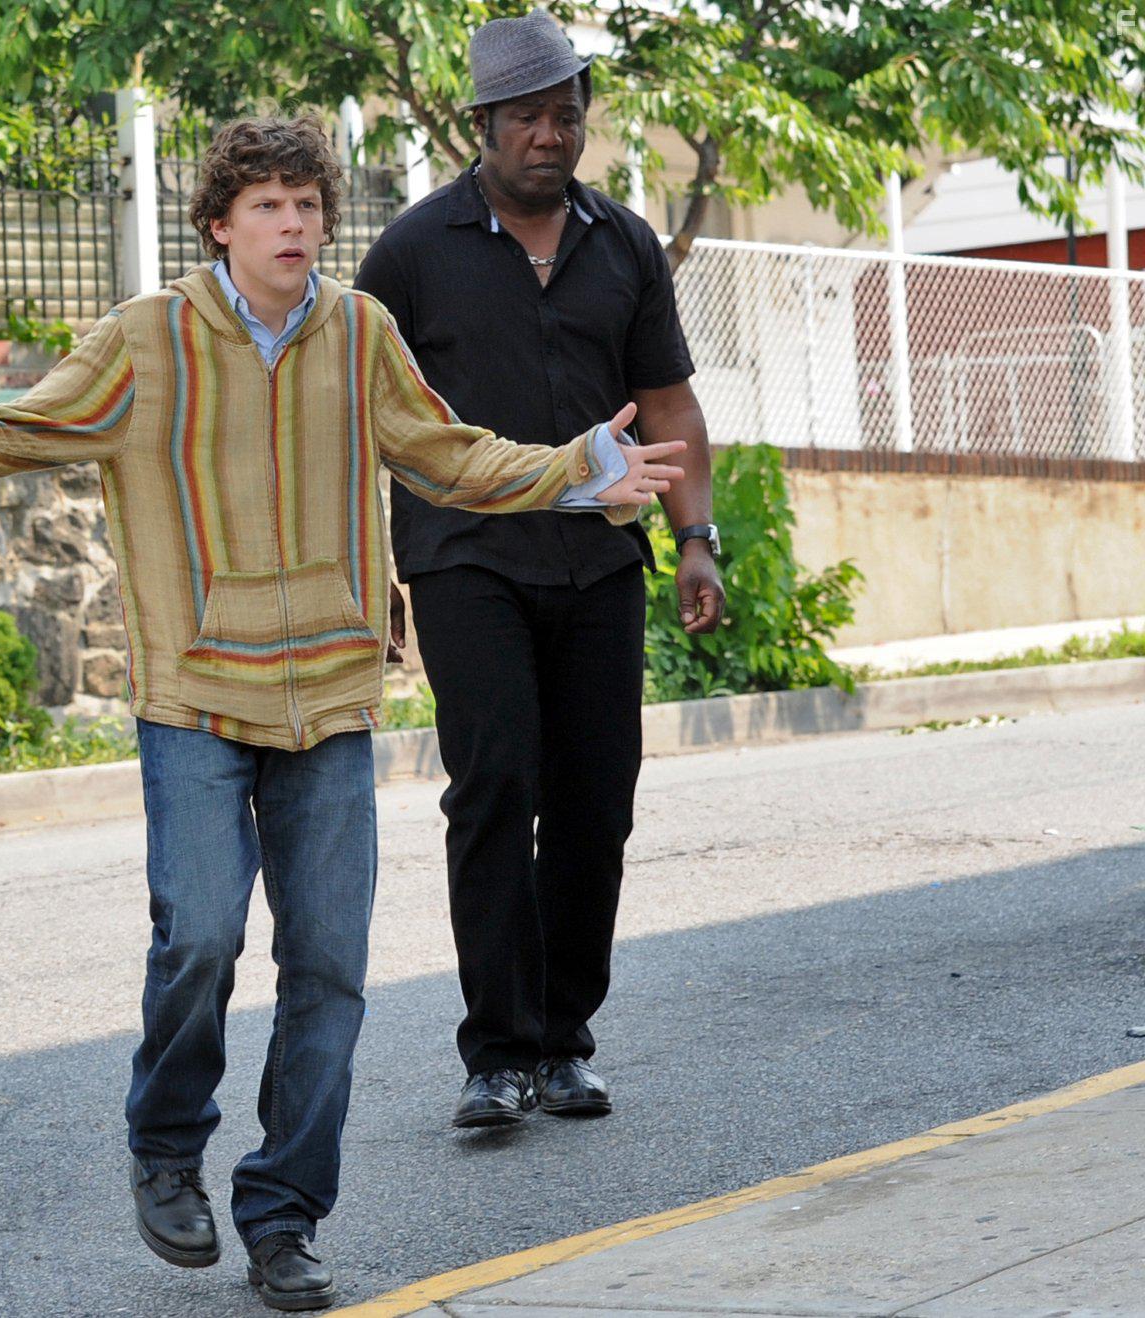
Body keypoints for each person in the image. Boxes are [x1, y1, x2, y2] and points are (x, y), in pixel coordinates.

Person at [0, 117, 682, 1310]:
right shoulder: (149, 336)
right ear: (218, 224)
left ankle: (283, 1212)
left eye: (306, 204)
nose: (291, 224)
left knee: (328, 967)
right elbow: (33, 422)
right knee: (199, 937)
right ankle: (166, 1143)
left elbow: (445, 455)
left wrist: (575, 469)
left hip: (327, 694)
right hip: (195, 695)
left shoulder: (359, 332)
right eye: (265, 204)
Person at [355, 8, 727, 1131]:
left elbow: (667, 404)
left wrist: (695, 539)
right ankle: (498, 1053)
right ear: (482, 123)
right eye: (525, 116)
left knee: (594, 802)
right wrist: (369, 575)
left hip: (598, 559)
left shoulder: (624, 243)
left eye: (563, 115)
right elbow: (355, 421)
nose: (548, 135)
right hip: (463, 558)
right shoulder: (410, 253)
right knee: (494, 787)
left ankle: (564, 1041)